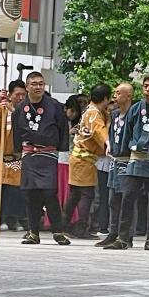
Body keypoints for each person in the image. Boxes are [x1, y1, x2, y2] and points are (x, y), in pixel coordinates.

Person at [107, 74, 149, 251]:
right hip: (135, 158)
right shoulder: (135, 109)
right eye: (145, 86)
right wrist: (124, 154)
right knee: (127, 197)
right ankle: (124, 237)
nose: (147, 90)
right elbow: (127, 131)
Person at [13, 71, 71, 245]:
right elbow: (16, 132)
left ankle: (58, 231)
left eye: (41, 83)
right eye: (34, 84)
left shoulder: (55, 106)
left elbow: (63, 130)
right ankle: (33, 232)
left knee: (49, 192)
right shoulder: (19, 108)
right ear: (27, 86)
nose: (38, 87)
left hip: (49, 154)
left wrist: (63, 153)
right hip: (29, 154)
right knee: (31, 194)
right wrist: (16, 153)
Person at [64, 83, 111, 239]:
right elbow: (99, 130)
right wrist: (108, 143)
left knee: (76, 194)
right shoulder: (94, 113)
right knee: (86, 194)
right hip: (84, 158)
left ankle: (64, 225)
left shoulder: (89, 111)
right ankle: (81, 227)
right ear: (105, 99)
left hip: (80, 157)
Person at [0, 80, 27, 236]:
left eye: (23, 94)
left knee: (16, 193)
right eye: (17, 95)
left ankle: (15, 220)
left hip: (18, 158)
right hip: (1, 158)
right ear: (10, 95)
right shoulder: (3, 109)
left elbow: (24, 125)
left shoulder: (27, 110)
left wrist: (13, 109)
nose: (20, 97)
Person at [96, 83, 134, 248]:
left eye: (118, 93)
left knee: (127, 198)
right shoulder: (116, 114)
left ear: (128, 96)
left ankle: (126, 235)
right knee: (113, 199)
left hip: (128, 159)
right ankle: (113, 232)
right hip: (115, 159)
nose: (115, 97)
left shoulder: (134, 114)